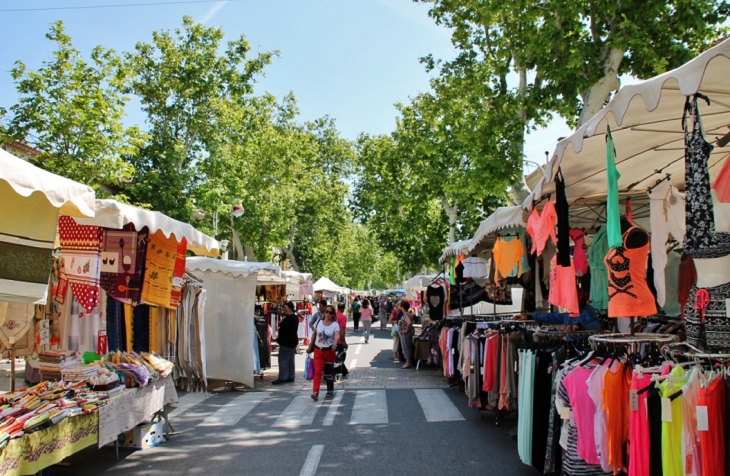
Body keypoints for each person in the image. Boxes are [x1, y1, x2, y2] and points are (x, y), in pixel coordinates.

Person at [514, 289, 599, 330]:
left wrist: (578, 326)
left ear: (580, 295)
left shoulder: (588, 310)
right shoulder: (566, 310)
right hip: (571, 346)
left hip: (585, 347)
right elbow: (552, 317)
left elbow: (595, 324)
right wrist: (529, 317)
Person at [307, 304, 340, 401]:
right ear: (324, 313)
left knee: (328, 372)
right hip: (318, 350)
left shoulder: (335, 325)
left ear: (333, 314)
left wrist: (335, 343)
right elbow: (315, 335)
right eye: (327, 312)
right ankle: (315, 392)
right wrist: (310, 346)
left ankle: (330, 390)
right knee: (318, 371)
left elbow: (337, 335)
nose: (328, 314)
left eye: (330, 312)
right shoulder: (319, 322)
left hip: (329, 351)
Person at [272, 301, 298, 384]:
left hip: (286, 342)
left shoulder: (290, 318)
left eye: (285, 307)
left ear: (290, 308)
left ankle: (283, 377)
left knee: (283, 360)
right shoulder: (292, 318)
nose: (283, 309)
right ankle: (290, 376)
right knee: (290, 360)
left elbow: (286, 330)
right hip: (290, 342)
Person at [397, 301, 415, 369]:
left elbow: (409, 323)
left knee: (406, 347)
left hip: (405, 334)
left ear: (402, 307)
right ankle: (408, 362)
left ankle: (408, 362)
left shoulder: (406, 315)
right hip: (405, 334)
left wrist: (405, 330)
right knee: (406, 347)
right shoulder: (408, 314)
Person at [336, 302, 349, 377]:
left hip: (333, 339)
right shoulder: (343, 317)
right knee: (340, 356)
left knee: (337, 356)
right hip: (339, 340)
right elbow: (342, 330)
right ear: (343, 309)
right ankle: (340, 371)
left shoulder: (334, 315)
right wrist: (343, 341)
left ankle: (344, 371)